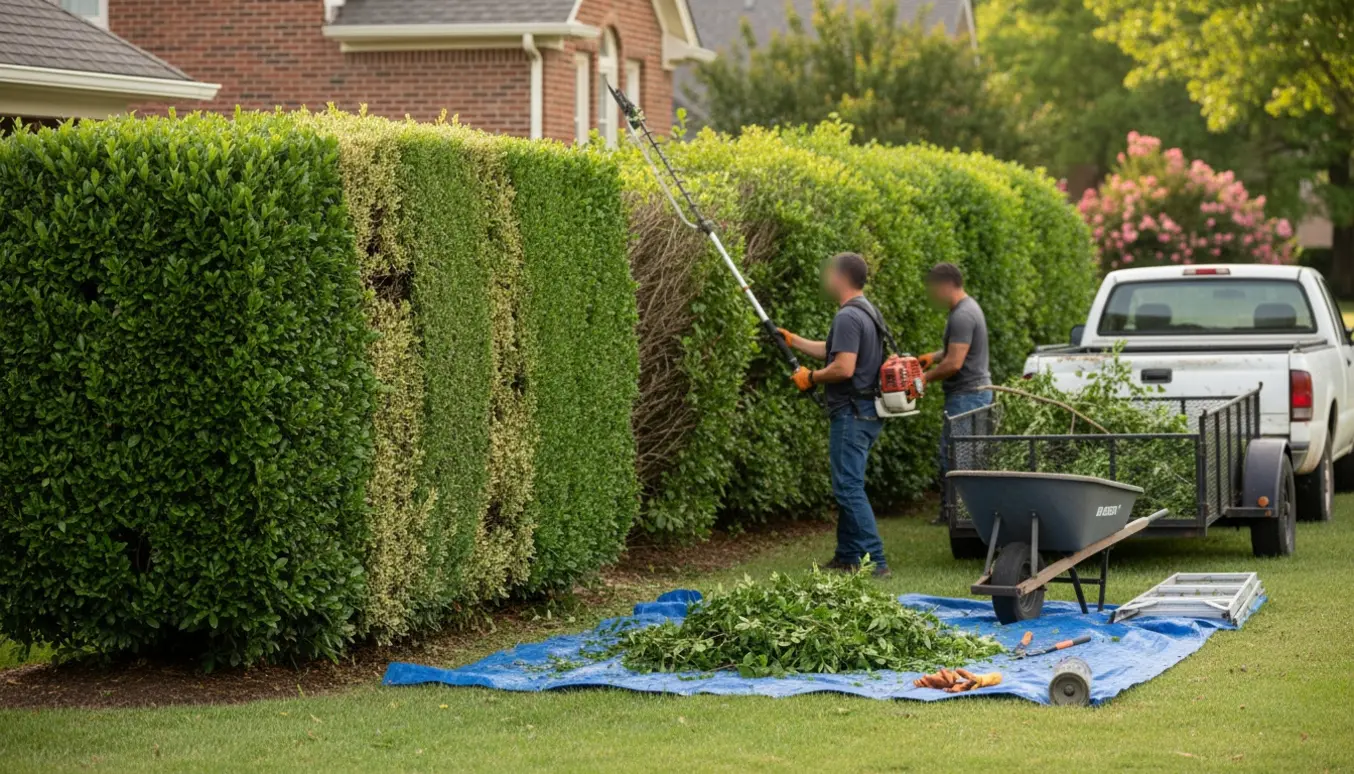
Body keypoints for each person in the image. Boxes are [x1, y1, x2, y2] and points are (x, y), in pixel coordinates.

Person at [777, 252, 891, 577]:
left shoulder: (847, 317)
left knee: (848, 487)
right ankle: (847, 556)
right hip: (868, 410)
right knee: (849, 484)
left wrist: (810, 377)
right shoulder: (866, 311)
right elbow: (834, 351)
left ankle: (876, 561)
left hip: (852, 412)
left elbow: (843, 367)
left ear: (841, 277)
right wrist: (793, 340)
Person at [918, 262, 992, 481]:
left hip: (967, 395)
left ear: (946, 285)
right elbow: (957, 350)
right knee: (963, 458)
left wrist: (924, 378)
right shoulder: (967, 308)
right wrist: (933, 357)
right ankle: (959, 513)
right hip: (974, 393)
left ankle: (958, 514)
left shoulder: (962, 315)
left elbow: (954, 363)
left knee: (957, 460)